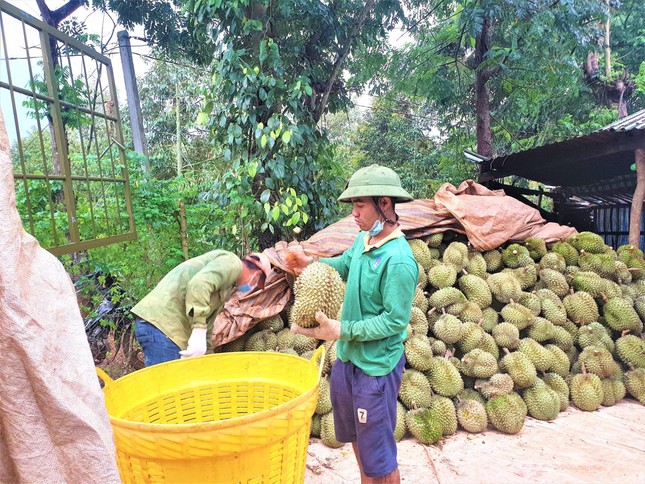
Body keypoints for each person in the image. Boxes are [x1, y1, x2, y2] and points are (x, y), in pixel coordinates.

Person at [287, 164, 418, 484]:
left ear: (384, 204)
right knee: (359, 442)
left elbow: (394, 321)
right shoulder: (363, 241)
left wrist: (341, 330)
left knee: (380, 457)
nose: (354, 214)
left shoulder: (399, 259)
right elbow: (344, 265)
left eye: (360, 206)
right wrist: (311, 263)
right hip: (348, 360)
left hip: (375, 369)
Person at [131, 250, 272, 366]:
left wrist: (209, 357)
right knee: (166, 391)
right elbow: (199, 285)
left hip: (163, 328)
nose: (252, 289)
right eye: (257, 285)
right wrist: (198, 329)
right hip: (162, 325)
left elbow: (208, 324)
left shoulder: (225, 287)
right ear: (257, 274)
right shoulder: (232, 262)